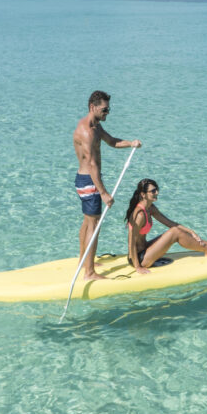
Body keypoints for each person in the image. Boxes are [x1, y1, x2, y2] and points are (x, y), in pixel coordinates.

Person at [73, 90, 141, 280]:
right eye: (104, 109)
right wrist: (103, 192)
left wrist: (130, 143)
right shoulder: (86, 131)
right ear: (92, 107)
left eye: (108, 109)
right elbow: (92, 164)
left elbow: (112, 141)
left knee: (88, 223)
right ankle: (89, 272)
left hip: (86, 180)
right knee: (94, 226)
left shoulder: (96, 127)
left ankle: (84, 261)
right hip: (89, 182)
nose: (107, 113)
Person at [125, 178, 207, 275]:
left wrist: (191, 232)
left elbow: (171, 223)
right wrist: (138, 267)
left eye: (157, 189)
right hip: (139, 258)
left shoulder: (150, 208)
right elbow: (131, 242)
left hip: (145, 250)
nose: (157, 193)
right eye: (153, 191)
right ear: (143, 194)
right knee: (175, 232)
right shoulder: (139, 215)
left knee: (176, 230)